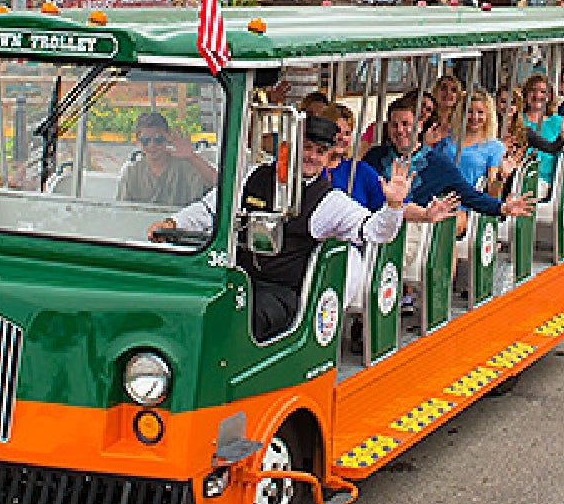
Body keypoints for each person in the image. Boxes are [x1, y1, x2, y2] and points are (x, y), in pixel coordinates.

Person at [150, 114, 443, 341]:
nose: (311, 157)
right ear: (288, 148)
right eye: (305, 147)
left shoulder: (330, 201)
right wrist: (173, 223)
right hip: (238, 278)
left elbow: (375, 232)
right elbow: (210, 208)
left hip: (283, 294)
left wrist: (393, 205)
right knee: (187, 304)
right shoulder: (255, 176)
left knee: (240, 319)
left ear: (328, 158)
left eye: (319, 151)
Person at [363, 98, 533, 218]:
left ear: (419, 126)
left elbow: (469, 194)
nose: (400, 131)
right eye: (395, 125)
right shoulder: (375, 157)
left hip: (417, 229)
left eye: (406, 124)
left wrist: (501, 207)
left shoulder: (437, 163)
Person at [116, 111, 218, 207]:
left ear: (167, 138)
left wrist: (192, 156)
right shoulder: (130, 171)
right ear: (138, 141)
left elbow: (219, 184)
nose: (152, 145)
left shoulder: (185, 166)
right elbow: (122, 211)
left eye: (158, 139)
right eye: (145, 140)